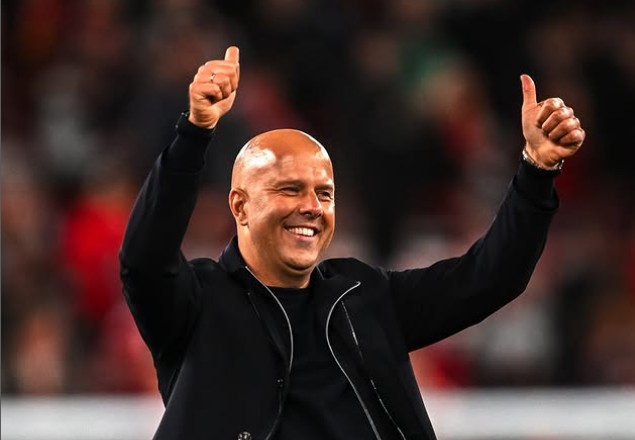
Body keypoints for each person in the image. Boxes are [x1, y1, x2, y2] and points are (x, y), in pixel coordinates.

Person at [119, 46, 585, 440]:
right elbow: (143, 260)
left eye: (324, 194)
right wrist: (194, 132)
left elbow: (490, 276)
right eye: (290, 190)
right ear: (240, 206)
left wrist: (537, 170)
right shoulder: (196, 303)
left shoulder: (366, 297)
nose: (312, 207)